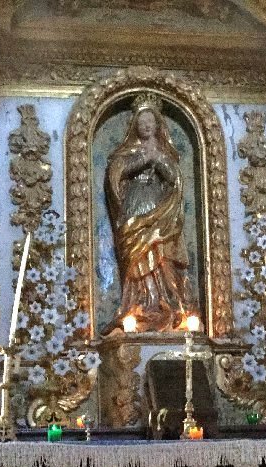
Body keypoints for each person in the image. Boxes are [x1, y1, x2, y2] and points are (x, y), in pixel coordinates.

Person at [103, 94, 197, 334]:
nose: (146, 125)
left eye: (150, 121)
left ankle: (164, 302)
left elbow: (174, 179)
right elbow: (116, 173)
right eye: (141, 121)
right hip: (135, 206)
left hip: (160, 208)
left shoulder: (166, 151)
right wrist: (144, 159)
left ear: (157, 124)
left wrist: (160, 160)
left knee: (160, 253)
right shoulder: (127, 151)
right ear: (135, 125)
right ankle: (139, 305)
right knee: (137, 255)